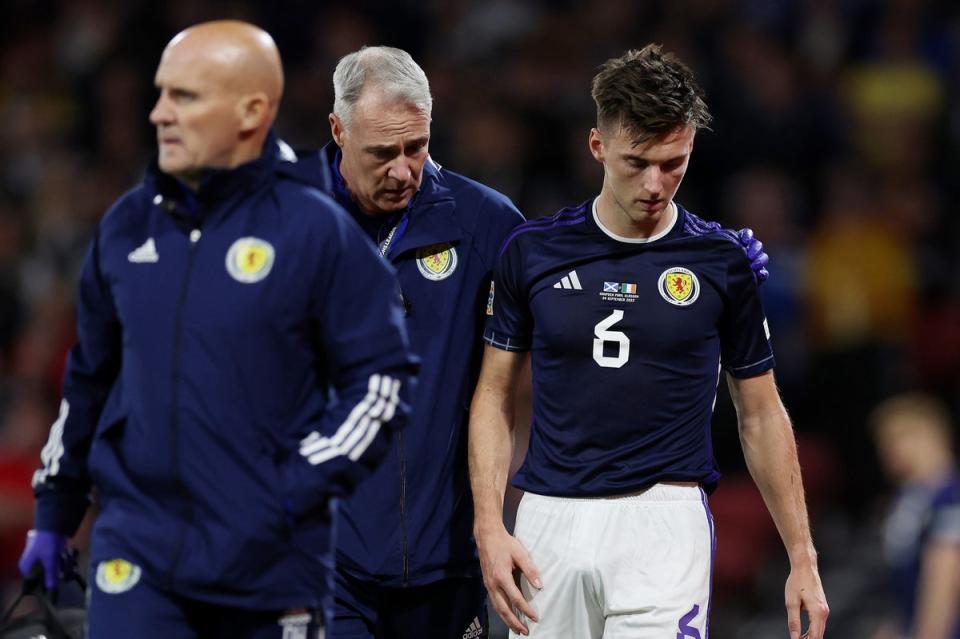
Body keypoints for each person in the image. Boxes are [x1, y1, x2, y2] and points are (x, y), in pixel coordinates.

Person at [287, 46, 772, 639]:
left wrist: (709, 268)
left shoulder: (487, 224)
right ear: (337, 130)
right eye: (381, 153)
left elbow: (582, 297)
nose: (403, 169)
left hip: (446, 559)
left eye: (417, 148)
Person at [16, 21, 416, 639]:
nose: (159, 114)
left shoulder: (317, 232)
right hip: (137, 552)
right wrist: (54, 512)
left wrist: (292, 488)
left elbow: (382, 383)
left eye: (185, 96)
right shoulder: (126, 228)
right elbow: (89, 380)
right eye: (160, 93)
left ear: (251, 111)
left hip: (269, 566)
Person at [469, 44, 828, 639]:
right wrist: (489, 522)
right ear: (597, 146)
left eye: (674, 162)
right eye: (638, 162)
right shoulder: (531, 253)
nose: (657, 183)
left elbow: (762, 415)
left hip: (664, 520)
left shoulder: (723, 263)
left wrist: (803, 557)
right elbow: (492, 394)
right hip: (549, 520)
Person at [871, 393, 960, 639]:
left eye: (896, 439)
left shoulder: (951, 497)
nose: (887, 451)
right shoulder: (906, 499)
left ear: (928, 436)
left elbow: (943, 581)